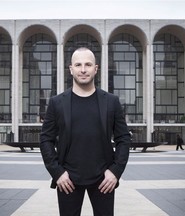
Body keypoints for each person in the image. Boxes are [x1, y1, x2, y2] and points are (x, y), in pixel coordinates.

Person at [40, 47, 131, 216]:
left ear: (96, 69)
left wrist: (115, 172)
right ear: (71, 69)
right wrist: (57, 173)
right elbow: (45, 139)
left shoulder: (111, 102)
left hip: (104, 179)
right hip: (67, 180)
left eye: (88, 64)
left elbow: (124, 139)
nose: (83, 69)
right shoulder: (56, 103)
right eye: (78, 65)